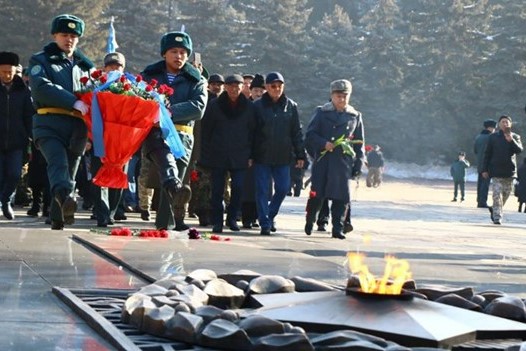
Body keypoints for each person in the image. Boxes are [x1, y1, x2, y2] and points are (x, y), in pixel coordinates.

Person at [28, 14, 93, 229]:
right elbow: (41, 87)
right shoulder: (41, 60)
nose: (69, 39)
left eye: (74, 36)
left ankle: (58, 217)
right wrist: (73, 101)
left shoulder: (86, 67)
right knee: (58, 164)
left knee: (71, 171)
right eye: (64, 35)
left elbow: (96, 93)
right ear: (55, 35)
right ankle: (67, 199)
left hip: (77, 127)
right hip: (49, 122)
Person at [140, 31, 207, 231]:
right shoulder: (149, 76)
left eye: (182, 52)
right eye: (173, 51)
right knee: (167, 175)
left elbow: (198, 107)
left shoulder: (196, 79)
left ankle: (165, 224)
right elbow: (138, 99)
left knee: (174, 181)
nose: (178, 56)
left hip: (183, 136)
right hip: (156, 133)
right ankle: (166, 220)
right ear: (164, 54)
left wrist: (166, 111)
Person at [304, 79, 365, 239]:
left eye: (345, 96)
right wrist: (323, 144)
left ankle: (337, 227)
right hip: (323, 161)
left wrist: (357, 165)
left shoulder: (355, 116)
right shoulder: (322, 112)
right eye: (338, 96)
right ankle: (310, 220)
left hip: (342, 163)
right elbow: (310, 135)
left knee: (341, 197)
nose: (342, 99)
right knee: (317, 195)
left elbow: (359, 143)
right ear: (332, 96)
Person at [200, 74, 256, 233]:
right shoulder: (214, 105)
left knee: (238, 189)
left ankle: (232, 218)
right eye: (230, 85)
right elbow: (206, 131)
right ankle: (217, 221)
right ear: (225, 87)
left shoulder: (249, 107)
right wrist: (205, 154)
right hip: (218, 153)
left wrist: (251, 155)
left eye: (237, 86)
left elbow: (253, 133)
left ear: (242, 87)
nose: (234, 89)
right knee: (217, 190)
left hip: (241, 154)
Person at [253, 72, 305, 235]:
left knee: (283, 188)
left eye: (279, 86)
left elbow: (296, 131)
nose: (276, 89)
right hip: (262, 155)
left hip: (283, 156)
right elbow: (251, 132)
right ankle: (264, 223)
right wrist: (249, 154)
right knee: (262, 190)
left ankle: (270, 214)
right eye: (273, 86)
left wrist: (300, 154)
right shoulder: (257, 106)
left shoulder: (291, 106)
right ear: (267, 87)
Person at [91, 52, 128, 227]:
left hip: (122, 142)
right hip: (100, 139)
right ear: (104, 68)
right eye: (111, 66)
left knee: (118, 178)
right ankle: (101, 213)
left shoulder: (131, 88)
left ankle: (112, 211)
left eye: (118, 66)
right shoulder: (95, 87)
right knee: (99, 177)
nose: (114, 69)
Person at [0, 52, 33, 220]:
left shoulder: (23, 91)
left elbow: (29, 116)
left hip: (16, 142)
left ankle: (5, 200)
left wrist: (33, 136)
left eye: (10, 72)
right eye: (3, 72)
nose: (7, 75)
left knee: (14, 174)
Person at [482, 115, 523, 225]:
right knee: (496, 195)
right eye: (503, 122)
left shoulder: (515, 137)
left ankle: (495, 209)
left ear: (510, 124)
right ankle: (497, 217)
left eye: (507, 122)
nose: (505, 124)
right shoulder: (493, 137)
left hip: (509, 172)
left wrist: (511, 140)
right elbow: (487, 154)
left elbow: (519, 150)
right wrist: (484, 169)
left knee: (505, 195)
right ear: (499, 124)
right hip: (496, 171)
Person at [474, 119, 497, 208]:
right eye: (494, 128)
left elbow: (475, 150)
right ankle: (482, 202)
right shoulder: (491, 137)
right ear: (490, 128)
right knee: (485, 184)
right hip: (488, 164)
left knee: (480, 183)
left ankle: (479, 200)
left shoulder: (478, 137)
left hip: (479, 163)